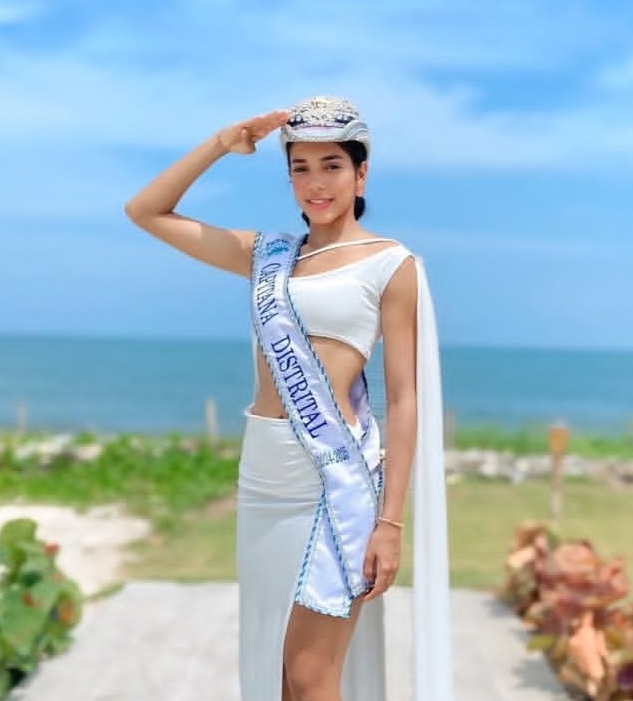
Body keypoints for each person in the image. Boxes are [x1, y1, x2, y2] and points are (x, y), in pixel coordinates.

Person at [125, 96, 453, 701]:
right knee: (275, 673)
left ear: (361, 174)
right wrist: (222, 143)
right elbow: (145, 210)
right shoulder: (266, 257)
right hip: (263, 475)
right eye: (300, 168)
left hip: (334, 481)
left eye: (331, 165)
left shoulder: (390, 264)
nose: (315, 183)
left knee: (309, 674)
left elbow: (404, 399)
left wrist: (390, 523)